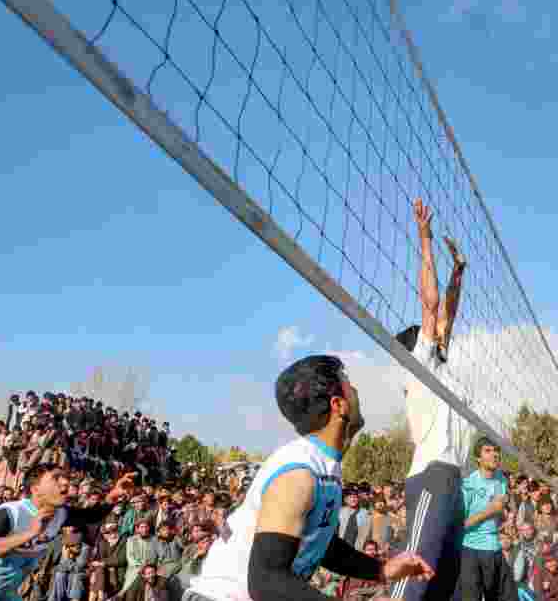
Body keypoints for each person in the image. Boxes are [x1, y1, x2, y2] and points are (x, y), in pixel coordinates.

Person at [185, 355, 433, 601]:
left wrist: (381, 569)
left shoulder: (324, 464)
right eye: (349, 383)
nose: (356, 390)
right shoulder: (298, 474)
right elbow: (267, 580)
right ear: (339, 405)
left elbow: (320, 543)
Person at [389, 197, 473, 601]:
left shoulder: (440, 364)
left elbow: (448, 313)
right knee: (414, 574)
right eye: (431, 332)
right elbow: (432, 304)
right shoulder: (419, 364)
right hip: (432, 476)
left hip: (454, 477)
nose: (440, 331)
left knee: (445, 585)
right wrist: (424, 238)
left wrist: (459, 271)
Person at [0, 465, 135, 601]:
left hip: (5, 593)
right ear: (35, 489)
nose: (65, 482)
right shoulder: (11, 512)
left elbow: (91, 516)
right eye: (56, 478)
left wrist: (112, 496)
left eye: (65, 477)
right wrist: (30, 533)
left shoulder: (60, 514)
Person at [460, 438, 516, 601]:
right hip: (471, 551)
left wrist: (506, 522)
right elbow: (460, 525)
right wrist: (490, 511)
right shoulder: (469, 484)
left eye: (496, 450)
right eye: (488, 451)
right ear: (478, 458)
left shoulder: (502, 480)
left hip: (495, 549)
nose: (494, 455)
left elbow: (499, 513)